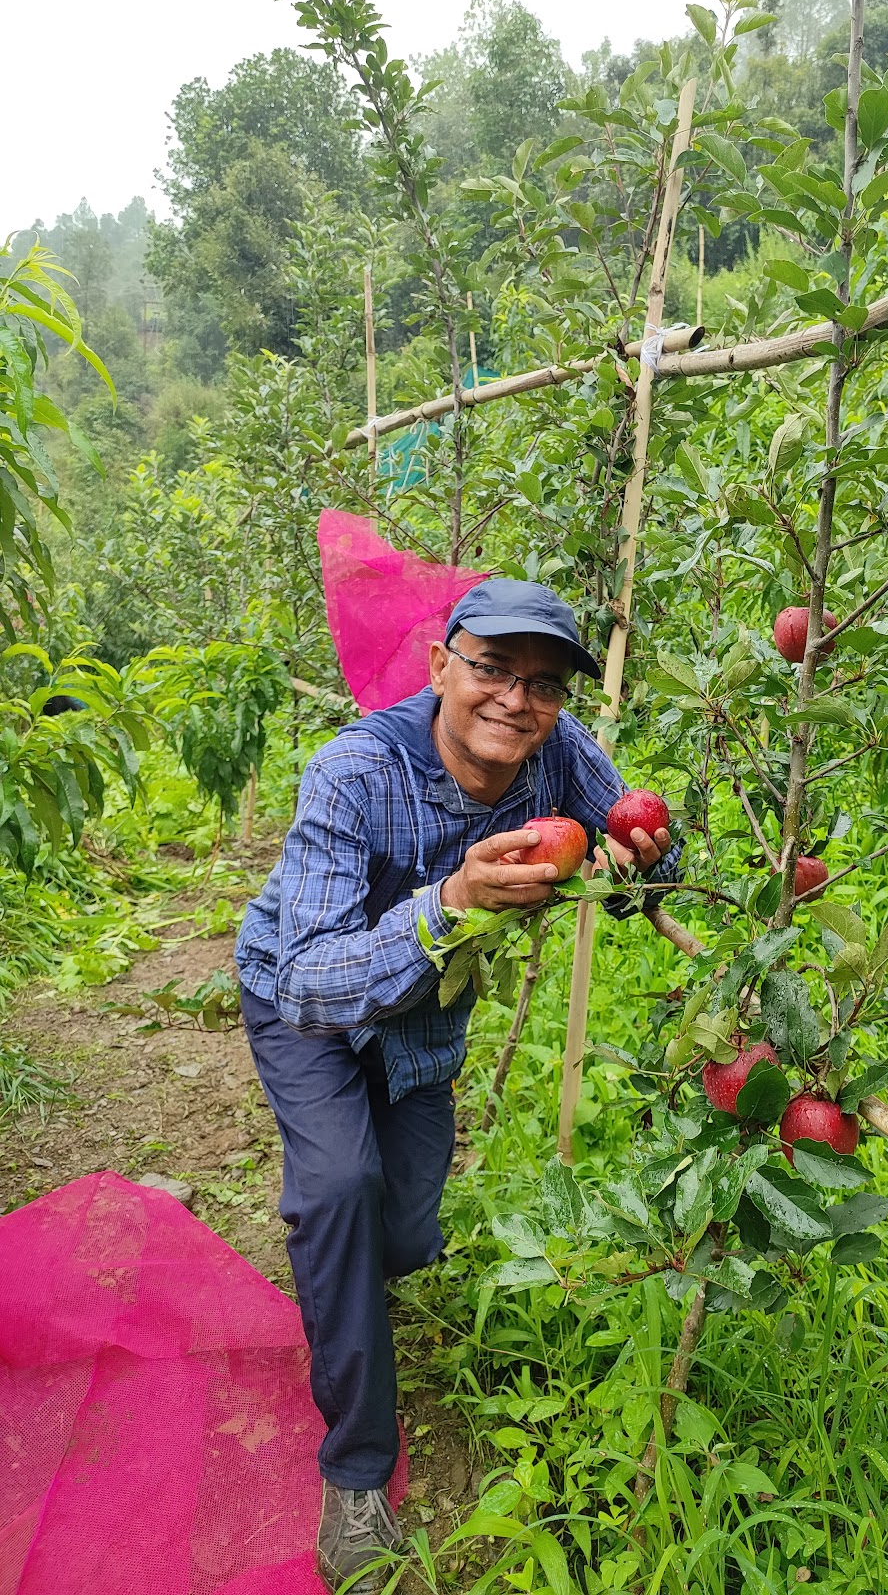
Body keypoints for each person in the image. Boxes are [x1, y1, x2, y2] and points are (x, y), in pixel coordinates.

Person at [235, 579, 682, 1593]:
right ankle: (355, 1473)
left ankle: (346, 1269)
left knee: (403, 1233)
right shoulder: (355, 771)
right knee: (338, 1188)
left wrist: (644, 853)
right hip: (301, 1003)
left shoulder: (555, 755)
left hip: (424, 1016)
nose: (515, 700)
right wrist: (450, 899)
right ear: (441, 666)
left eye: (544, 684)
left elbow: (633, 835)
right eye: (490, 668)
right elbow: (308, 975)